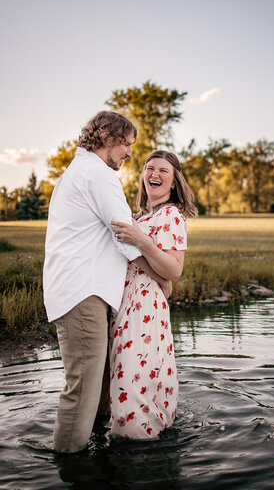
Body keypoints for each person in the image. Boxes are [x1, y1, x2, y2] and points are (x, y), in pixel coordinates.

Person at [43, 111, 171, 454]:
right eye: (127, 144)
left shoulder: (84, 171)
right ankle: (70, 467)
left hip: (86, 291)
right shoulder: (97, 174)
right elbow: (125, 236)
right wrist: (162, 277)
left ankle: (99, 450)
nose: (129, 152)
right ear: (107, 138)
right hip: (83, 292)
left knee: (100, 384)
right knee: (83, 387)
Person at [109, 150, 197, 439]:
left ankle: (140, 445)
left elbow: (173, 270)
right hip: (121, 303)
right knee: (129, 376)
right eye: (150, 168)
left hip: (145, 306)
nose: (155, 175)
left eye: (163, 171)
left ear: (174, 183)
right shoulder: (138, 216)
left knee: (131, 381)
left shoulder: (171, 216)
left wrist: (140, 241)